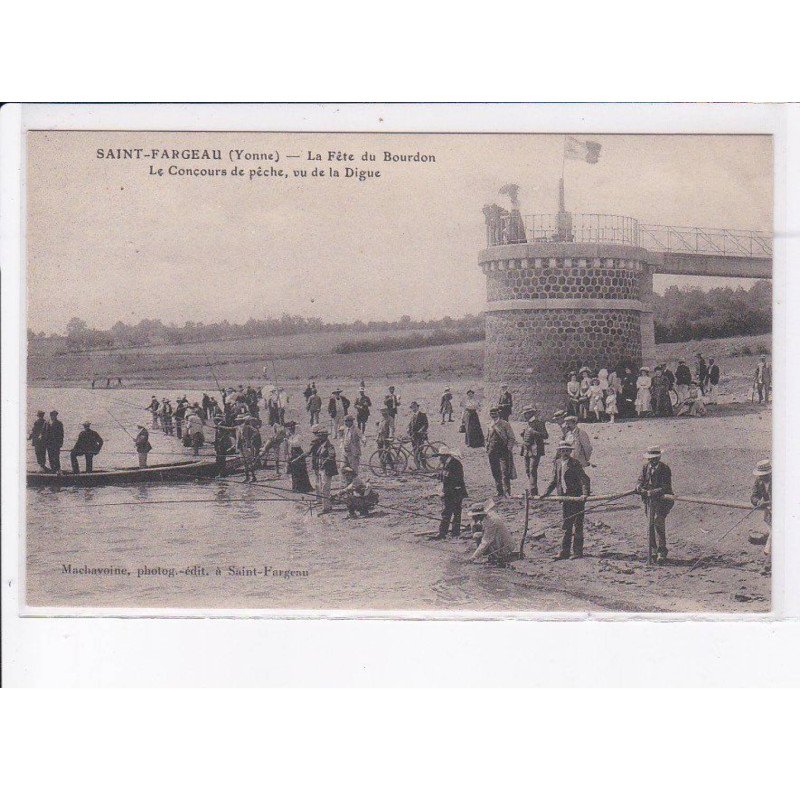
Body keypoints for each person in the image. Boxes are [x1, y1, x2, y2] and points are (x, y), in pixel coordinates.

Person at [539, 441, 591, 560]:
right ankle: (564, 552)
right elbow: (554, 481)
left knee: (578, 525)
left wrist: (584, 494)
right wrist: (545, 493)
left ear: (570, 452)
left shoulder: (575, 463)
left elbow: (584, 480)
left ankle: (577, 552)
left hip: (576, 498)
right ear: (559, 451)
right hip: (565, 498)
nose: (565, 453)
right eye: (563, 450)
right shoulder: (557, 463)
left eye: (567, 450)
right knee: (566, 525)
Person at [636, 446, 675, 564]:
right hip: (649, 501)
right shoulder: (645, 467)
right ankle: (653, 550)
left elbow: (666, 486)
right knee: (650, 525)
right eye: (650, 459)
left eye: (654, 459)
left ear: (659, 457)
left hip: (662, 501)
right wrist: (639, 487)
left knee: (659, 523)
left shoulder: (665, 469)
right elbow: (640, 480)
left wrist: (652, 492)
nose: (651, 461)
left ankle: (662, 551)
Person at [429, 446, 467, 540]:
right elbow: (446, 475)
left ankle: (445, 533)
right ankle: (453, 532)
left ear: (445, 456)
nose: (439, 459)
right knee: (453, 512)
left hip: (455, 492)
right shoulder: (448, 463)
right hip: (452, 491)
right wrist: (438, 476)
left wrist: (442, 480)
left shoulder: (455, 464)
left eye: (440, 456)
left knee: (450, 512)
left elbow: (454, 478)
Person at [468, 501, 517, 567]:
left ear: (479, 515)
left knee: (479, 537)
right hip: (500, 540)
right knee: (477, 534)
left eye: (474, 516)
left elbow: (486, 541)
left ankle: (497, 556)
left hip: (506, 546)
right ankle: (489, 555)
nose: (472, 518)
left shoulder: (491, 522)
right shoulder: (488, 516)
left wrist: (473, 557)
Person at [485, 406, 518, 498]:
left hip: (503, 450)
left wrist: (509, 448)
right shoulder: (489, 424)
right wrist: (487, 447)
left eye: (495, 413)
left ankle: (507, 491)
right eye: (491, 414)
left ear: (498, 413)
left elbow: (511, 438)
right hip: (492, 451)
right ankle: (499, 491)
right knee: (495, 471)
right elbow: (487, 437)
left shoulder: (504, 424)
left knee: (505, 471)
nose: (493, 415)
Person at [750, 459, 772, 575]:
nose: (762, 477)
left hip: (781, 513)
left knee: (775, 536)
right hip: (769, 514)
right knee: (773, 536)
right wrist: (758, 502)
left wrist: (769, 502)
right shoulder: (758, 481)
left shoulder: (778, 480)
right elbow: (754, 496)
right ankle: (768, 556)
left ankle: (767, 564)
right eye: (761, 475)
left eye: (765, 475)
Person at [520, 406, 548, 495]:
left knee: (532, 470)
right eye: (524, 413)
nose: (525, 415)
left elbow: (545, 435)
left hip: (535, 449)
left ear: (531, 413)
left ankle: (533, 491)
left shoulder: (539, 423)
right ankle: (532, 487)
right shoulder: (527, 423)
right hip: (526, 449)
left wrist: (534, 432)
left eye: (526, 413)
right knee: (527, 470)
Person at [311, 425, 338, 513]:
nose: (319, 437)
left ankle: (326, 507)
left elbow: (331, 455)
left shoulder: (329, 446)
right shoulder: (321, 445)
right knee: (322, 487)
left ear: (325, 436)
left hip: (327, 470)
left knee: (325, 488)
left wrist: (323, 462)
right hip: (321, 469)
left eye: (321, 436)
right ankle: (327, 506)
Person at [286, 421, 313, 494]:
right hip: (293, 452)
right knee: (294, 471)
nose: (291, 429)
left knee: (300, 470)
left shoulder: (298, 435)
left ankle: (302, 487)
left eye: (292, 427)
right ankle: (295, 487)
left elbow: (296, 443)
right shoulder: (291, 435)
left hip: (298, 452)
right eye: (290, 428)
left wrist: (288, 440)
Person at [238, 415, 260, 483]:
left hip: (247, 446)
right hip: (241, 445)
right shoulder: (240, 427)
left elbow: (256, 432)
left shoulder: (248, 427)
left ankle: (253, 477)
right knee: (244, 462)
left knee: (249, 462)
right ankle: (247, 477)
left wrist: (251, 438)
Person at [407, 401, 429, 468]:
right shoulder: (413, 416)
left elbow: (426, 424)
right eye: (412, 408)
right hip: (413, 436)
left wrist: (421, 430)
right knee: (415, 451)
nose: (413, 409)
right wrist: (408, 429)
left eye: (414, 407)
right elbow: (410, 425)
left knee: (420, 451)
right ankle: (418, 466)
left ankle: (424, 467)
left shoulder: (422, 414)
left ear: (417, 407)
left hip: (420, 436)